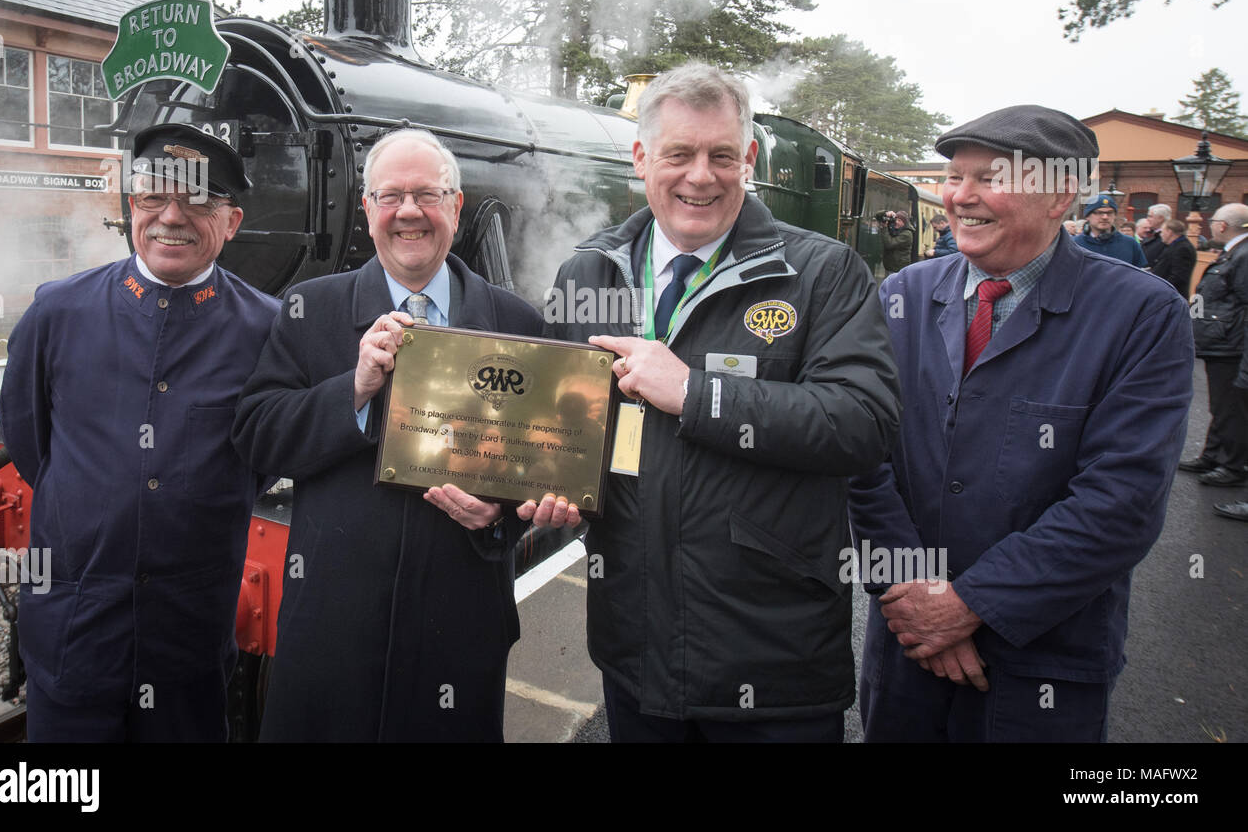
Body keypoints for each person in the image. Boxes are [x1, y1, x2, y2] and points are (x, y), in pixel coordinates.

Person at [518, 63, 900, 741]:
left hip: (772, 663)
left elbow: (863, 422)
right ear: (640, 159)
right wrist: (553, 489)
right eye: (679, 154)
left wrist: (696, 392)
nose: (701, 175)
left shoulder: (821, 272)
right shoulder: (587, 271)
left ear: (748, 160)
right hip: (635, 652)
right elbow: (561, 429)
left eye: (722, 155)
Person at [848, 104, 1193, 742]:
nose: (961, 196)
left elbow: (1121, 501)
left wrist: (972, 605)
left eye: (990, 178)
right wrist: (914, 598)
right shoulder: (903, 295)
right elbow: (863, 458)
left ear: (1061, 195)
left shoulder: (1142, 313)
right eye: (955, 176)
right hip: (907, 646)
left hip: (1043, 657)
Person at [232, 129, 543, 741]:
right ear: (368, 208)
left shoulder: (517, 322)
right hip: (333, 622)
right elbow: (258, 438)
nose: (409, 212)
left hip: (461, 625)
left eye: (427, 195)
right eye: (391, 196)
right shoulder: (309, 309)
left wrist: (502, 515)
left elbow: (536, 474)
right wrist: (355, 386)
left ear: (455, 207)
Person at [0, 124, 280, 741]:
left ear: (231, 222)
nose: (170, 217)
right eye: (153, 195)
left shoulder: (268, 330)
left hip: (188, 641)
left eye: (198, 201)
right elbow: (29, 443)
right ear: (132, 206)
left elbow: (259, 458)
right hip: (74, 630)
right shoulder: (58, 311)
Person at [1179, 203, 1248, 488]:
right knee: (1221, 406)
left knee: (1230, 408)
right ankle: (1213, 454)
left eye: (1214, 222)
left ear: (1221, 225)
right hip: (1223, 343)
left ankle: (1232, 465)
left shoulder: (1243, 255)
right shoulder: (1236, 252)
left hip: (1231, 346)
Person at [1073, 193, 1148, 266]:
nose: (1105, 217)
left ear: (1115, 215)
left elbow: (1141, 273)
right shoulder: (1074, 244)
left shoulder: (1130, 243)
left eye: (1110, 213)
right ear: (1087, 216)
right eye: (1099, 213)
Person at [1151, 218, 1197, 298]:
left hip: (1171, 296)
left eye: (1162, 231)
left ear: (1169, 232)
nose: (1161, 234)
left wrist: (1161, 289)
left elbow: (1178, 276)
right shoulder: (1175, 246)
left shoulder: (1183, 248)